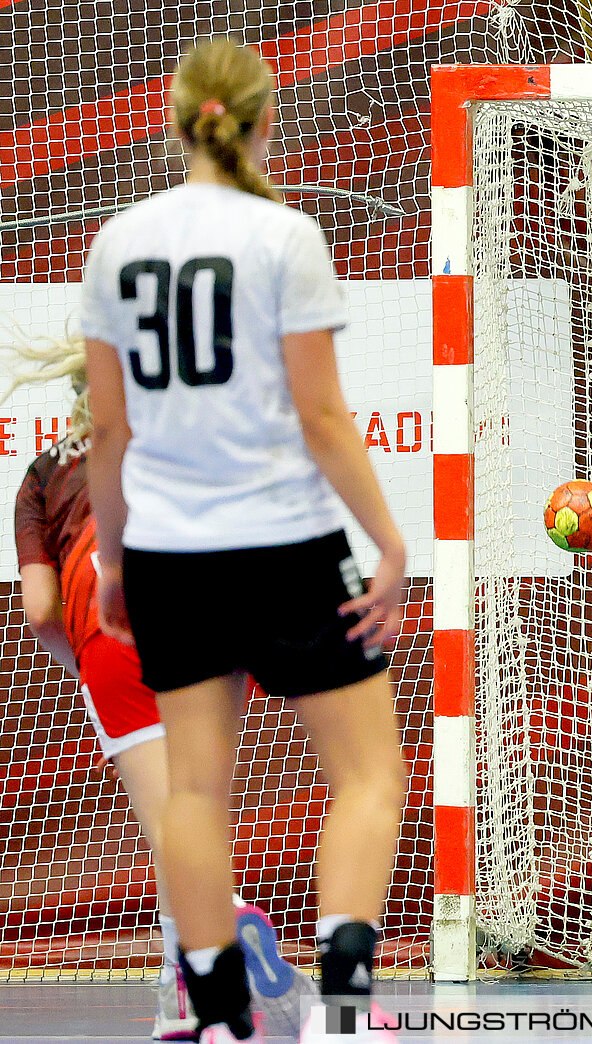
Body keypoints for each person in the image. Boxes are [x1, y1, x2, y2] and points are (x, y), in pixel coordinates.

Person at [78, 37, 406, 1044]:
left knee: (192, 788)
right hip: (284, 543)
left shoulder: (114, 245)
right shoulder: (284, 237)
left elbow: (108, 431)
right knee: (367, 775)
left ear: (178, 118)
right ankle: (342, 1012)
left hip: (173, 552)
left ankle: (219, 1019)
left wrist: (115, 560)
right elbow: (321, 416)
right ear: (268, 119)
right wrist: (386, 540)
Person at [7, 332, 318, 1041]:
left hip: (110, 628)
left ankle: (214, 950)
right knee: (193, 822)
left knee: (172, 829)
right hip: (207, 612)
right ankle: (189, 993)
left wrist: (86, 662)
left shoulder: (43, 476)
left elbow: (41, 612)